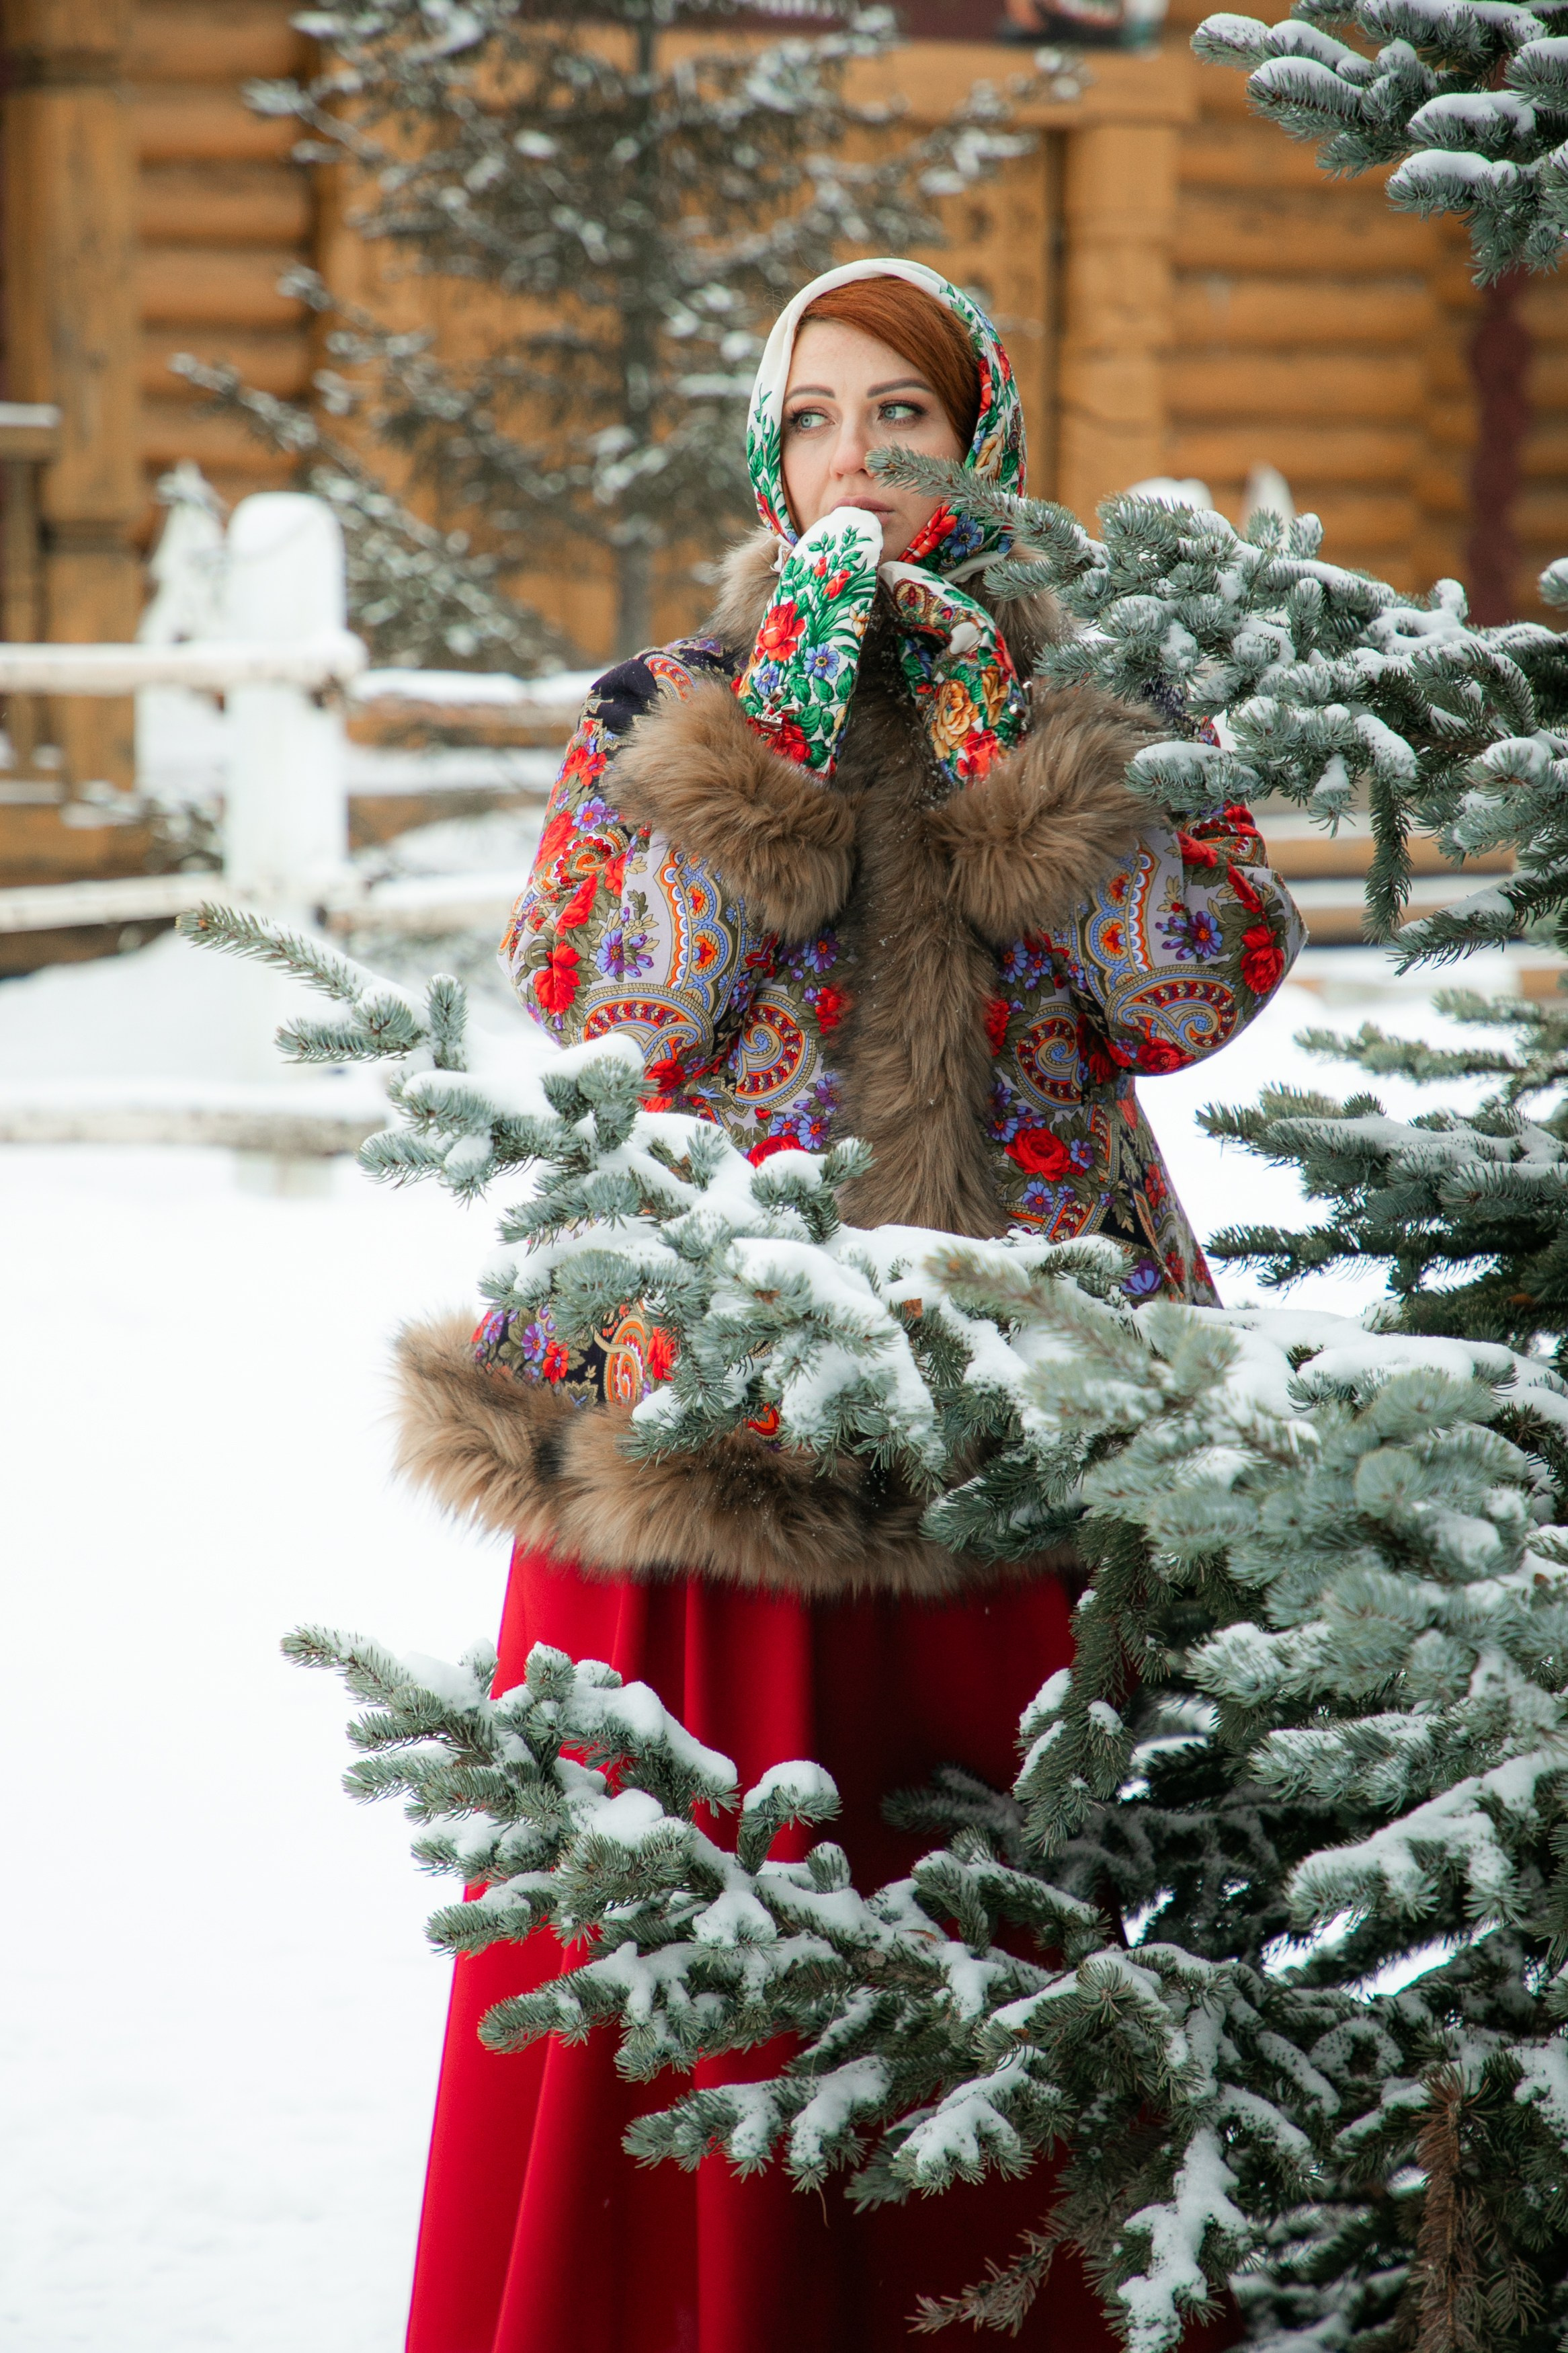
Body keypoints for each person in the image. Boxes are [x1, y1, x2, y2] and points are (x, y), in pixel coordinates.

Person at [396, 258, 1303, 2353]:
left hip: (1027, 1418)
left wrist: (1022, 762)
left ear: (978, 435)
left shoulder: (1105, 696)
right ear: (765, 447)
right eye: (816, 417)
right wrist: (770, 746)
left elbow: (1198, 996)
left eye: (904, 415)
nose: (858, 459)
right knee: (701, 1938)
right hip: (703, 1425)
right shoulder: (656, 702)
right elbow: (610, 1000)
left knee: (1001, 1938)